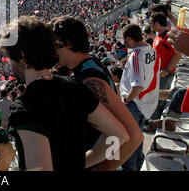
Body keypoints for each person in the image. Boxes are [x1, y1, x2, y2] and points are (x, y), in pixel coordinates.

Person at [0, 16, 130, 171]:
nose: (11, 64)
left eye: (10, 58)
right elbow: (118, 135)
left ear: (21, 56)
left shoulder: (24, 108)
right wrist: (82, 162)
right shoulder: (75, 86)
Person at [52, 16, 142, 171]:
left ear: (67, 44)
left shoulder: (90, 79)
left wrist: (101, 168)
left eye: (53, 45)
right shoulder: (88, 64)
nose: (50, 51)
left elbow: (133, 136)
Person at [119, 24, 160, 171]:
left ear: (129, 39)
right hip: (147, 103)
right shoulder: (153, 51)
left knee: (130, 141)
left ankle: (131, 168)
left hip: (135, 103)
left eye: (124, 40)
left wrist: (126, 100)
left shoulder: (136, 56)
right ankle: (138, 163)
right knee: (138, 136)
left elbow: (138, 85)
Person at [148, 12, 182, 121]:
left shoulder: (168, 36)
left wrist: (167, 70)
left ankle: (155, 122)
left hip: (166, 74)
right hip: (158, 73)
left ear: (157, 23)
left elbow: (178, 54)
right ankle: (153, 121)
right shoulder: (157, 37)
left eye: (151, 22)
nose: (149, 24)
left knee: (158, 100)